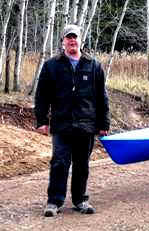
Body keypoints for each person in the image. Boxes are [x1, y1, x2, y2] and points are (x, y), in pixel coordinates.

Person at [34, 24, 110, 217]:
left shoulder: (93, 65)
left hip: (86, 125)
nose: (72, 41)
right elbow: (42, 96)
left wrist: (104, 124)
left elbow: (102, 97)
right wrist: (41, 121)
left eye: (75, 37)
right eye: (68, 38)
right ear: (63, 42)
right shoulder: (51, 65)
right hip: (62, 124)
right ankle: (54, 202)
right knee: (59, 163)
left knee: (81, 164)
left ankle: (80, 200)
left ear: (80, 40)